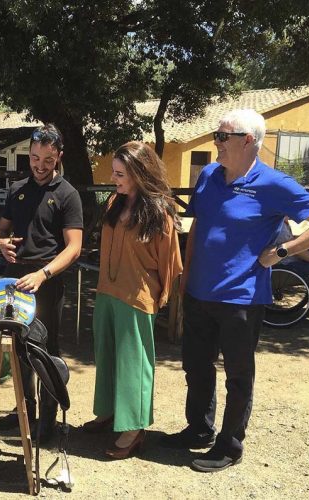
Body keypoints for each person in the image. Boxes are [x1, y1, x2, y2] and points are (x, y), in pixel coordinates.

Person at [160, 109, 309, 472]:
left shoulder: (274, 184)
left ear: (248, 141)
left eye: (222, 136)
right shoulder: (210, 174)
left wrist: (280, 252)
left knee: (238, 375)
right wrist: (185, 271)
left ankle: (229, 447)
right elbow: (197, 226)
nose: (216, 142)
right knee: (196, 367)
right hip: (199, 291)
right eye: (217, 135)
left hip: (241, 299)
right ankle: (198, 430)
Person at [83, 142, 182, 459]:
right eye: (114, 172)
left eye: (120, 173)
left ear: (140, 173)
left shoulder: (159, 212)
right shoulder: (114, 201)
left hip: (137, 297)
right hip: (107, 292)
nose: (114, 178)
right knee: (108, 355)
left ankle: (134, 428)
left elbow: (171, 262)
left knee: (134, 364)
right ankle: (111, 412)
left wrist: (161, 296)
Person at [0, 124, 83, 442]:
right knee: (18, 350)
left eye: (47, 159)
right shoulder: (17, 188)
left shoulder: (67, 194)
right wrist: (1, 242)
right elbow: (0, 231)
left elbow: (74, 248)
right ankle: (24, 413)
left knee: (44, 351)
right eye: (34, 158)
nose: (40, 165)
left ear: (58, 156)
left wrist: (44, 274)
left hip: (47, 282)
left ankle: (47, 419)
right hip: (15, 283)